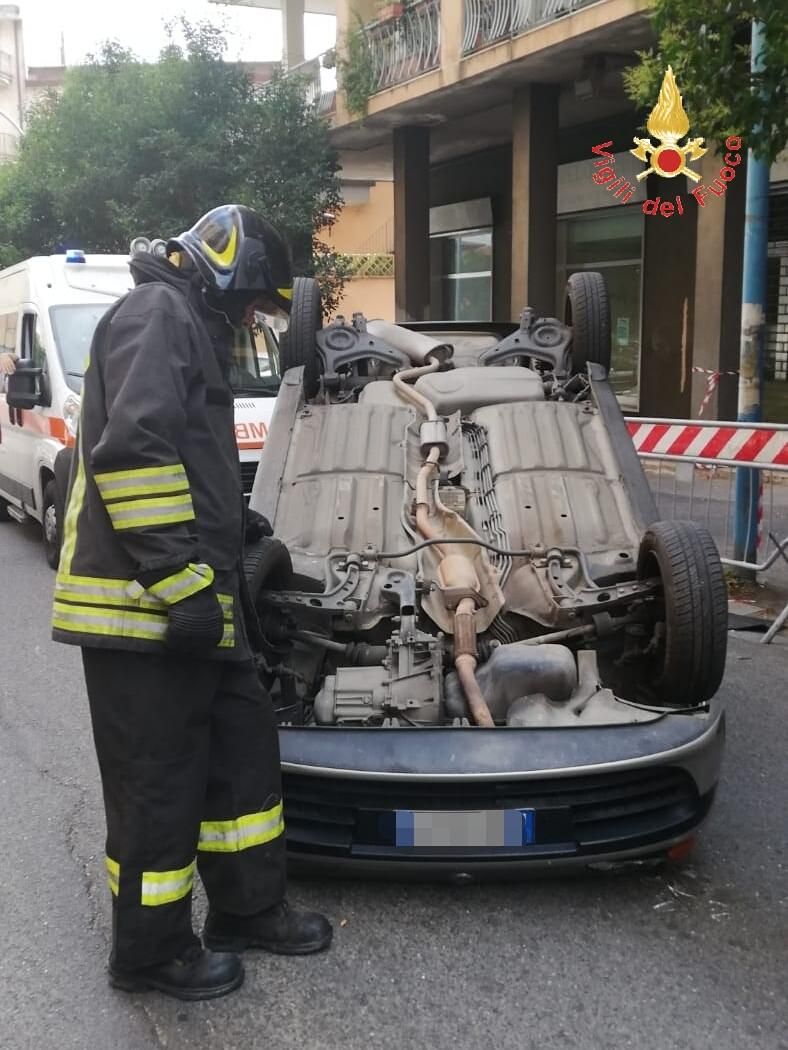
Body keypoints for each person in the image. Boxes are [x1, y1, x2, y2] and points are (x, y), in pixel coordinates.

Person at [52, 205, 332, 1001]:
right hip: (145, 610)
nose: (254, 317)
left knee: (241, 757)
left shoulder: (187, 323)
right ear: (227, 276)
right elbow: (133, 454)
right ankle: (149, 953)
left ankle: (247, 909)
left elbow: (184, 457)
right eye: (254, 301)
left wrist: (235, 526)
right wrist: (179, 580)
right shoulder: (157, 314)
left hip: (198, 604)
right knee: (159, 786)